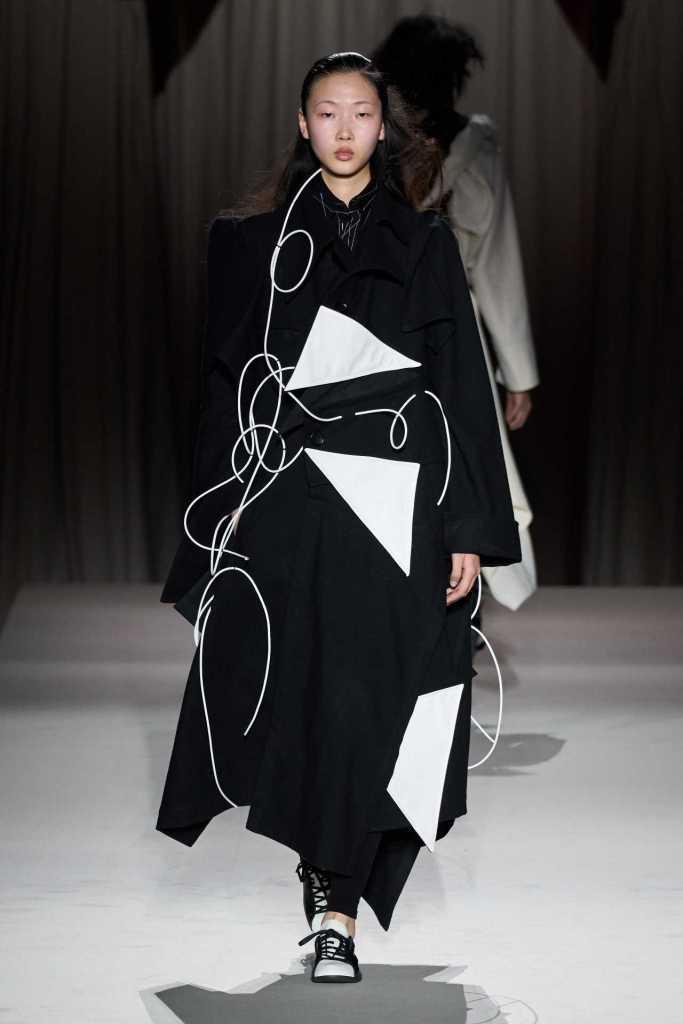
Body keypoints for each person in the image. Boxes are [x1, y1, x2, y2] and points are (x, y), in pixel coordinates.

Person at [156, 51, 521, 985]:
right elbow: (225, 391)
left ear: (380, 126)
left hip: (396, 509)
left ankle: (338, 908)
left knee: (375, 705)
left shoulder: (424, 244)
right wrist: (216, 518)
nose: (345, 129)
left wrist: (468, 527)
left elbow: (458, 390)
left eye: (361, 112)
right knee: (305, 703)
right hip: (287, 508)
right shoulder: (251, 247)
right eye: (328, 113)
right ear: (303, 124)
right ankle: (329, 910)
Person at [373, 16, 540, 618]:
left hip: (416, 323)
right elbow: (496, 262)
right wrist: (517, 372)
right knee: (433, 454)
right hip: (405, 322)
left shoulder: (446, 143)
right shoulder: (379, 140)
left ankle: (450, 601)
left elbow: (495, 259)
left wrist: (517, 371)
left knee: (441, 454)